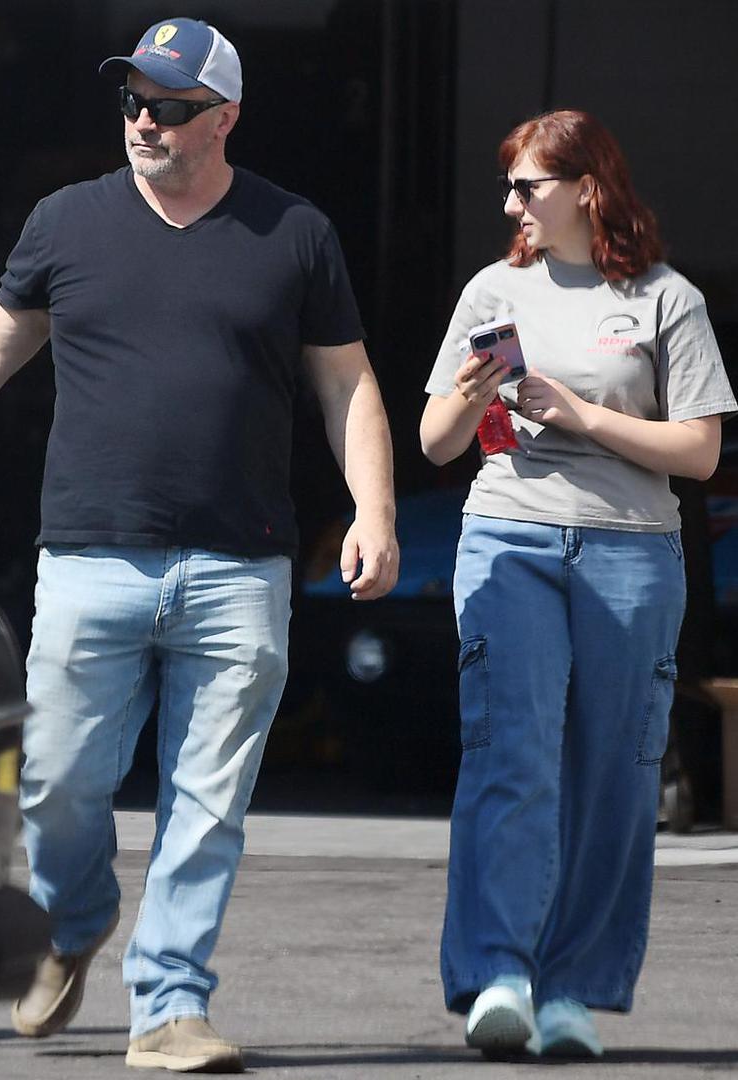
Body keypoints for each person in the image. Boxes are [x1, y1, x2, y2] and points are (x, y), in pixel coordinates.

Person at [0, 17, 399, 1073]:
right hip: (91, 558)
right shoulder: (67, 222)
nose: (144, 120)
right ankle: (75, 917)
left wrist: (374, 511)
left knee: (207, 803)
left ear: (224, 118)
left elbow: (346, 383)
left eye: (170, 106)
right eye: (133, 100)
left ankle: (170, 1003)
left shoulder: (293, 233)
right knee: (53, 781)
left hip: (240, 566)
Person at [420, 109, 735, 1060]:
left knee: (615, 775)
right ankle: (498, 975)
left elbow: (700, 452)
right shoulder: (492, 290)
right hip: (508, 534)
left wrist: (578, 414)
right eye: (508, 185)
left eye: (527, 186)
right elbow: (435, 443)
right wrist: (474, 393)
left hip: (631, 551)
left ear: (586, 190)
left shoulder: (664, 299)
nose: (509, 203)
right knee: (509, 757)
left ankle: (574, 991)